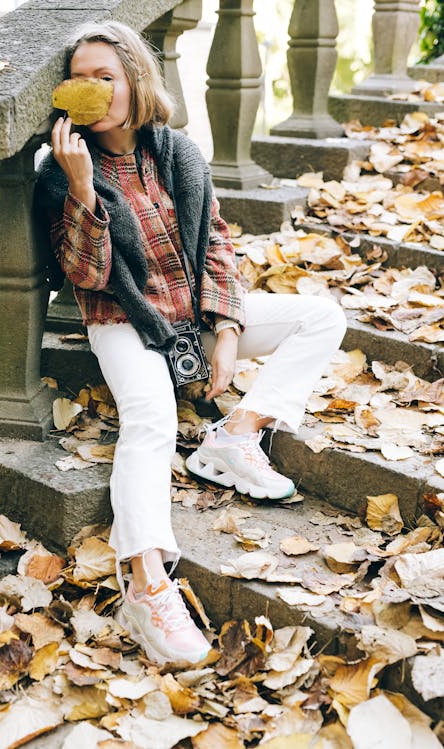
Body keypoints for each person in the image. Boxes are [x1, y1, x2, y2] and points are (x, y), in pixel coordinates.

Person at [36, 20, 347, 666]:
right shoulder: (59, 170)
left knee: (320, 318)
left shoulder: (175, 151)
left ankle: (239, 431)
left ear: (135, 82)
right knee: (148, 417)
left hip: (195, 315)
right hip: (122, 322)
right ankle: (147, 582)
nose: (92, 89)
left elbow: (218, 243)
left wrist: (228, 330)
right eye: (80, 78)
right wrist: (82, 187)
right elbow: (85, 274)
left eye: (106, 77)